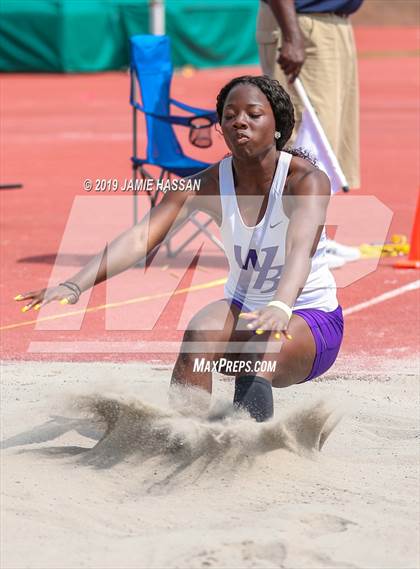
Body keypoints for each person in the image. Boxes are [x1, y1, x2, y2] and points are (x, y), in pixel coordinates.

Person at [15, 76, 343, 423]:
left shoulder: (305, 181)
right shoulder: (207, 185)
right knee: (199, 333)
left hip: (309, 317)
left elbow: (300, 250)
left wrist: (281, 304)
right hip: (245, 310)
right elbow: (141, 238)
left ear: (278, 125)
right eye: (229, 115)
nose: (239, 121)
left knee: (256, 354)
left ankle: (252, 456)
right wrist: (75, 284)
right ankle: (187, 436)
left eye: (253, 113)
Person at [256, 0, 363, 191]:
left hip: (332, 23)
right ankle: (287, 216)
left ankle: (307, 214)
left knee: (329, 138)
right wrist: (291, 37)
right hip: (300, 25)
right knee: (303, 135)